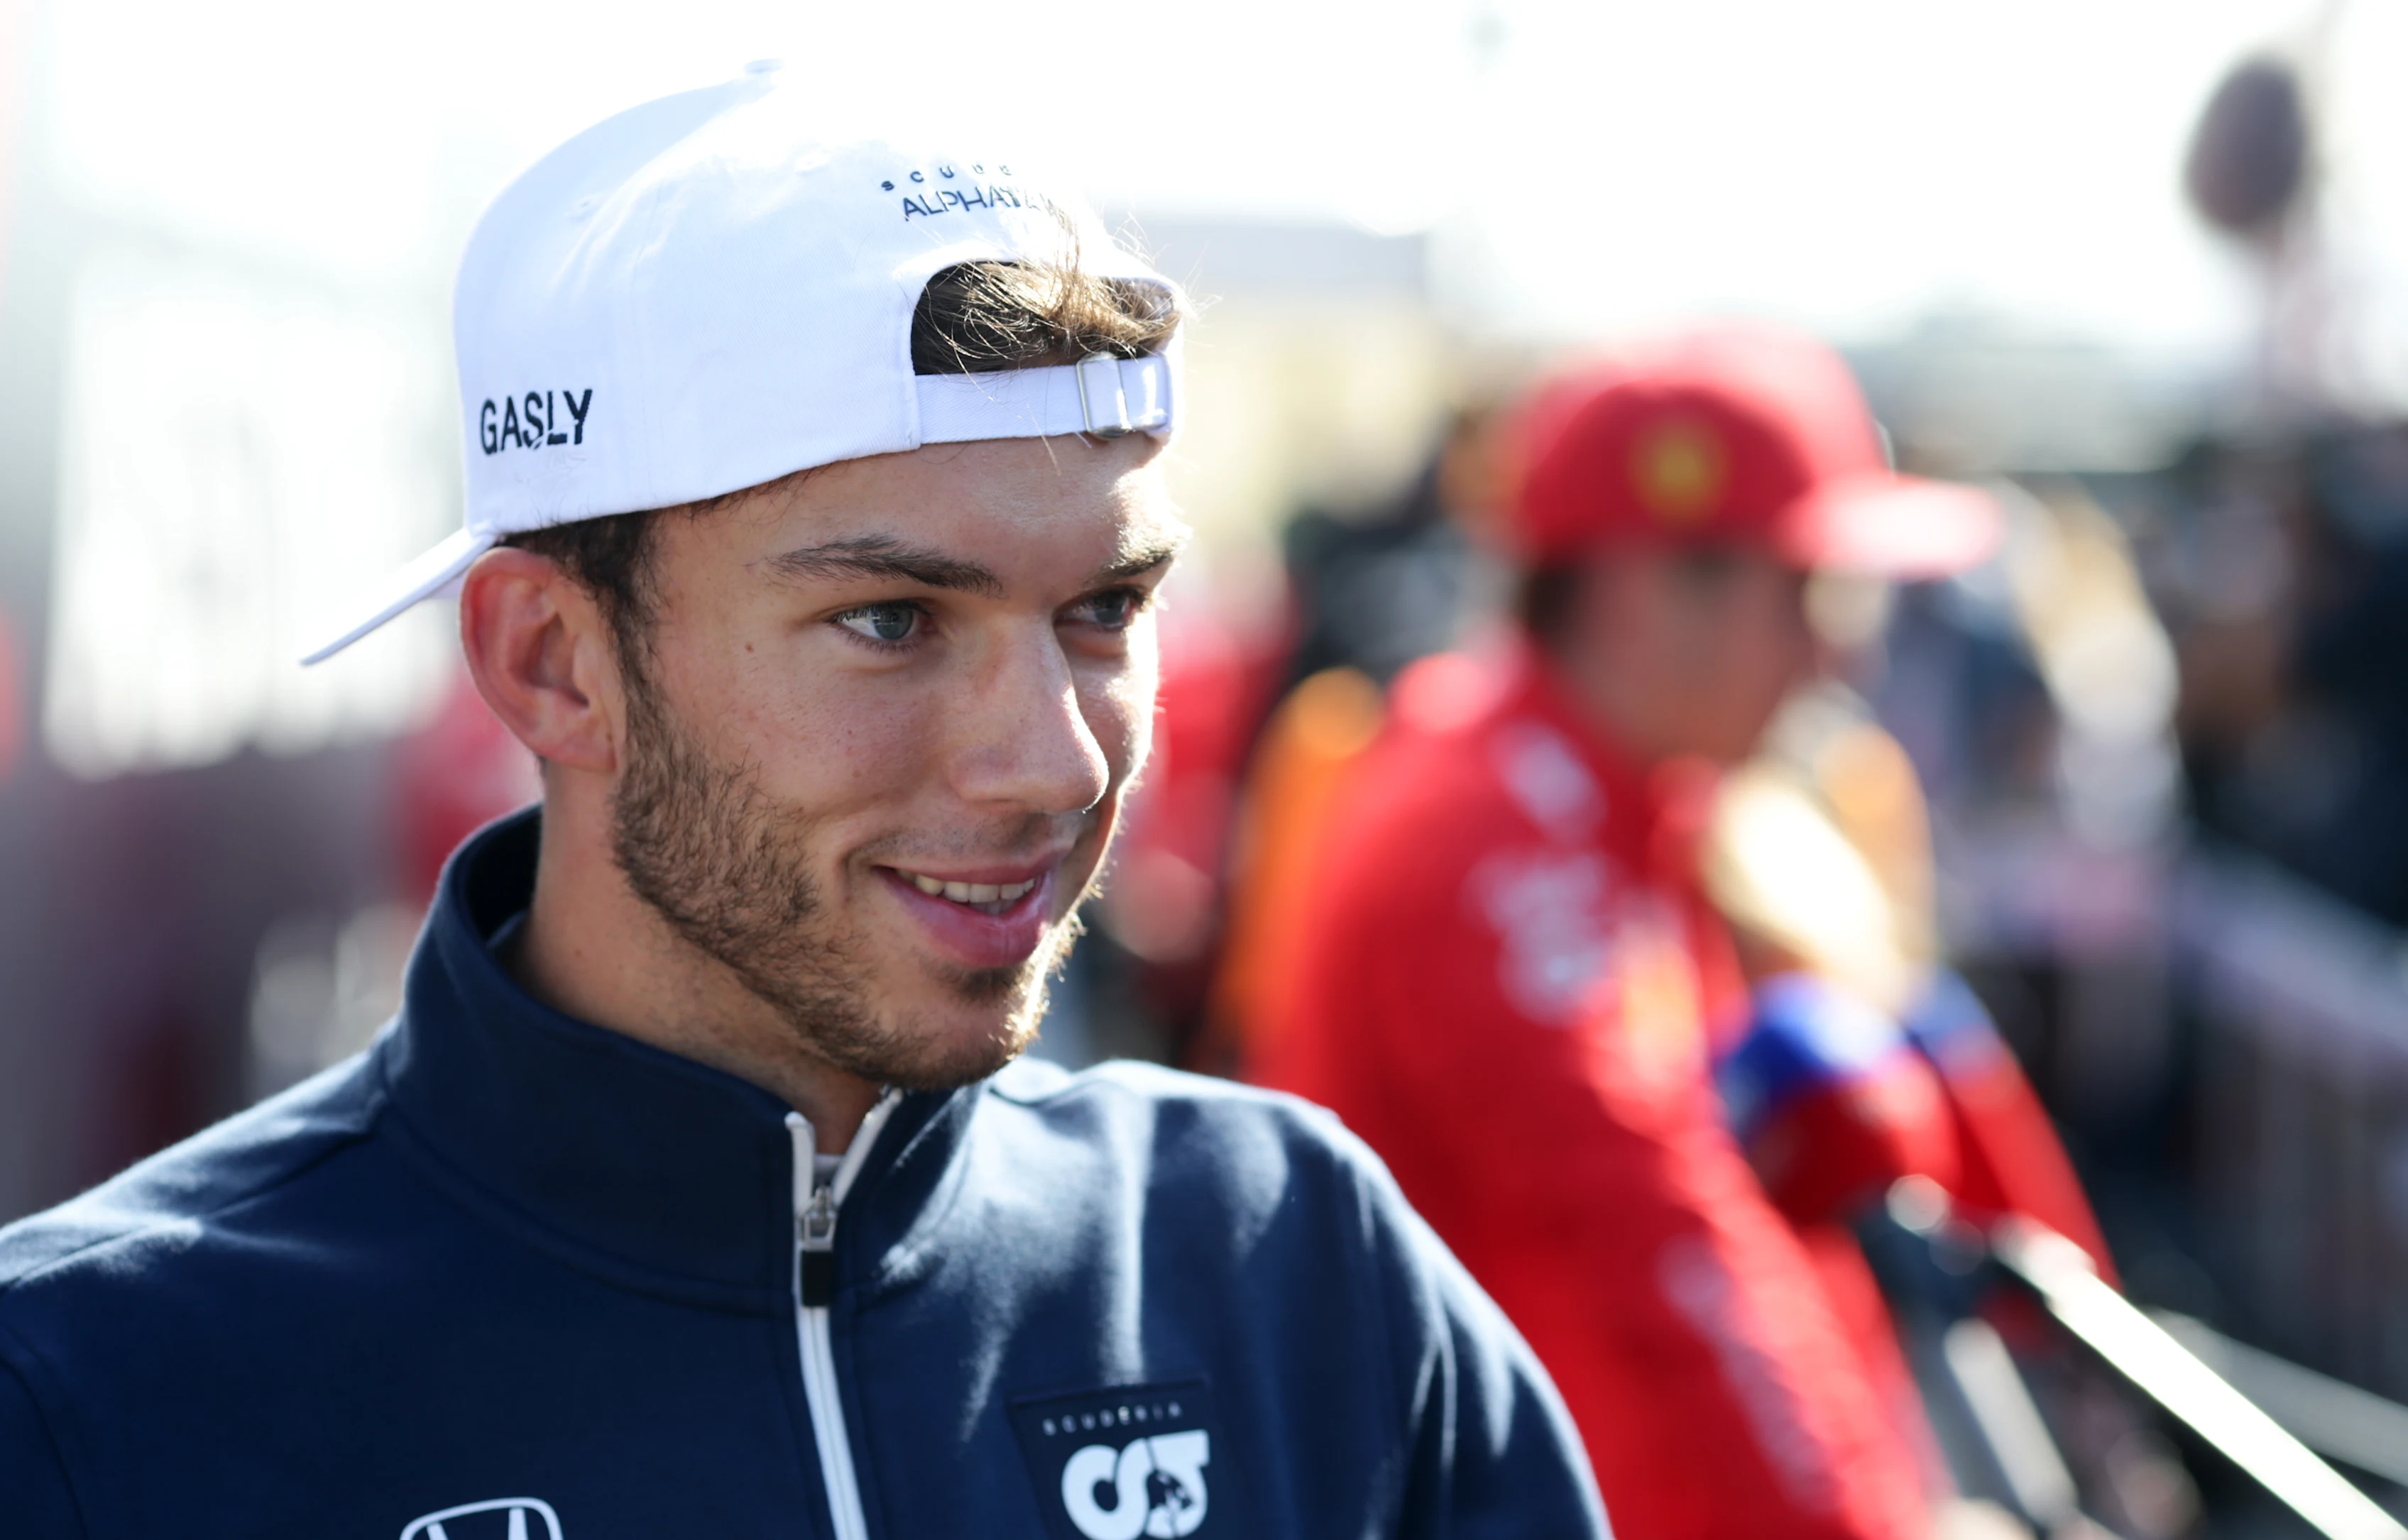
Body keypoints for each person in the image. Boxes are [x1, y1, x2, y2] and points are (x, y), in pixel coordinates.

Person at [0, 70, 1605, 1539]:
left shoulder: (1285, 1255)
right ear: (556, 661)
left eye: (1104, 608)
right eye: (894, 621)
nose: (1052, 762)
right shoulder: (93, 1387)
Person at [1258, 324, 2001, 1540]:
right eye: (1809, 588)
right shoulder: (1491, 840)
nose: (1841, 646)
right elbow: (1669, 1268)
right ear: (1638, 591)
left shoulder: (1597, 797)